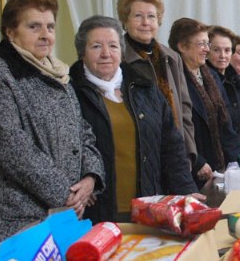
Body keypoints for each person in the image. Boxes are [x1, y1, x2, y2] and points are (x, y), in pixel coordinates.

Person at [0, 0, 104, 261]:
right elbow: (11, 148)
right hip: (14, 222)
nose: (45, 34)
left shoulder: (56, 73)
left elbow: (83, 133)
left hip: (59, 215)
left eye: (50, 26)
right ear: (11, 32)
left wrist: (90, 178)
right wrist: (68, 195)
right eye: (34, 26)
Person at [70, 15, 200, 223]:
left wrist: (186, 191)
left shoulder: (145, 88)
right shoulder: (71, 93)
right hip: (96, 212)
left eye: (113, 46)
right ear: (82, 53)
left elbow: (172, 145)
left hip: (147, 206)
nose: (106, 54)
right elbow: (66, 149)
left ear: (121, 52)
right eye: (96, 47)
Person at [116, 0, 197, 168]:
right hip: (138, 157)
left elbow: (184, 107)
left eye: (151, 16)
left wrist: (189, 152)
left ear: (158, 20)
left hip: (175, 153)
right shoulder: (118, 58)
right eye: (138, 16)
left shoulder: (172, 57)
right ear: (125, 21)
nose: (146, 22)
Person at [169, 18, 240, 189]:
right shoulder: (173, 80)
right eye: (202, 44)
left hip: (219, 166)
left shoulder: (211, 76)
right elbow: (175, 127)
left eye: (207, 44)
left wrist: (237, 162)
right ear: (182, 46)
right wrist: (197, 161)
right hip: (193, 168)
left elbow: (226, 124)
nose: (206, 49)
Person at [207, 26, 240, 145]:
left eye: (227, 50)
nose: (222, 56)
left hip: (238, 155)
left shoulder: (239, 82)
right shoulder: (205, 81)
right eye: (216, 50)